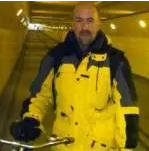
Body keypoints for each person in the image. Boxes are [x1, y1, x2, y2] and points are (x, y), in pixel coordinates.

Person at [10, 2, 139, 151]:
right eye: (79, 20)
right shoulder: (56, 56)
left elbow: (127, 109)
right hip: (63, 146)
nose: (84, 27)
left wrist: (126, 148)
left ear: (98, 24)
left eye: (90, 21)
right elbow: (40, 95)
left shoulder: (115, 61)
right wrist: (31, 119)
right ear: (72, 24)